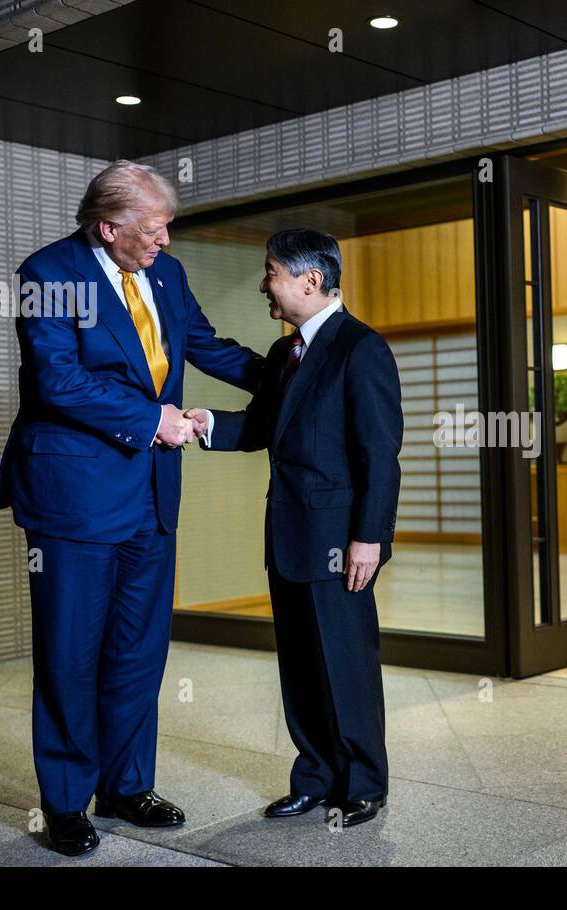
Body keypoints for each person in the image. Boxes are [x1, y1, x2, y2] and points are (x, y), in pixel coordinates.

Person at [0, 160, 265, 855]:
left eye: (167, 225)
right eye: (151, 229)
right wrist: (153, 421)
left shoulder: (166, 276)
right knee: (70, 655)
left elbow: (204, 347)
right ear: (107, 227)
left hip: (151, 494)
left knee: (138, 653)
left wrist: (300, 367)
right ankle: (64, 803)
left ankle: (125, 784)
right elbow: (59, 381)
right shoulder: (48, 275)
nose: (165, 241)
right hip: (74, 499)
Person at [185, 227, 401, 828]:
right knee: (301, 664)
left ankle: (363, 782)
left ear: (312, 280)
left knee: (346, 663)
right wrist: (203, 422)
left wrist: (370, 538)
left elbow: (380, 455)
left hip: (340, 541)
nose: (265, 285)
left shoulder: (362, 349)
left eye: (272, 272)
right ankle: (313, 776)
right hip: (288, 534)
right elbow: (261, 429)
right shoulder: (285, 354)